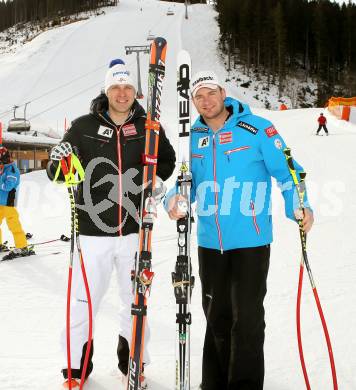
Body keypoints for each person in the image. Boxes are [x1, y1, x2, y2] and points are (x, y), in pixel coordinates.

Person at [165, 71, 314, 390]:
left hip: (251, 242)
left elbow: (290, 173)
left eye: (210, 93)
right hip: (209, 244)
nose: (206, 101)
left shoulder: (258, 128)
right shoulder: (191, 138)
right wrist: (172, 199)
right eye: (198, 97)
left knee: (246, 319)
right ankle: (214, 384)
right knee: (216, 317)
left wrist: (299, 205)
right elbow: (182, 181)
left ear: (223, 92)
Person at [46, 59, 176, 388]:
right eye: (116, 87)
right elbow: (58, 172)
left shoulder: (149, 126)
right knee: (83, 302)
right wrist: (57, 159)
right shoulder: (83, 126)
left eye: (128, 87)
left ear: (136, 93)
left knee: (136, 300)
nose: (122, 93)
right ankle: (75, 370)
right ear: (106, 91)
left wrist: (153, 180)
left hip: (135, 231)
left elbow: (168, 159)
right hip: (92, 233)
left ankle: (133, 363)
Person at [0, 146, 33, 259]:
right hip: (0, 201)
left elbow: (7, 186)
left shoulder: (12, 170)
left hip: (8, 202)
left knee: (13, 224)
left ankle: (22, 246)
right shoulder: (3, 168)